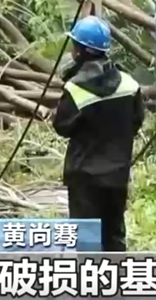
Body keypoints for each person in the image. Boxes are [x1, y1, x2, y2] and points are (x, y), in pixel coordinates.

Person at [52, 15, 144, 251]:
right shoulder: (129, 84)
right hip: (116, 176)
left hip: (84, 179)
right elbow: (136, 121)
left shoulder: (75, 90)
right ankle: (117, 283)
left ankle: (90, 285)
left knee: (87, 241)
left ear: (81, 51)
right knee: (114, 236)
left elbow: (61, 126)